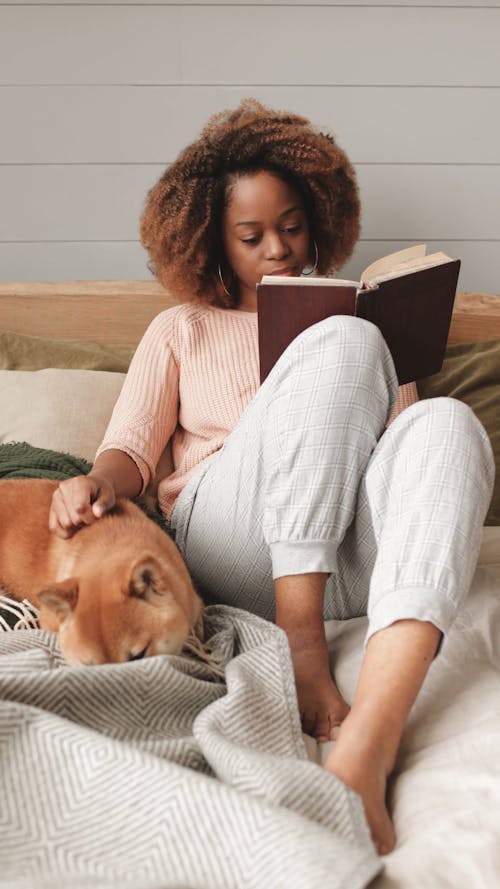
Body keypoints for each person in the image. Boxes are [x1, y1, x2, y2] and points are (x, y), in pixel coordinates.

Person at [48, 99, 494, 855]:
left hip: (352, 553)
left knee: (450, 426)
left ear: (317, 219)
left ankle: (366, 750)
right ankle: (302, 647)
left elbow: (403, 463)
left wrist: (394, 371)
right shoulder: (181, 327)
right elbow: (129, 447)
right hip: (236, 542)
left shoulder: (360, 318)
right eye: (252, 236)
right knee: (343, 340)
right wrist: (98, 479)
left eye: (292, 226)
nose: (279, 249)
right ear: (213, 241)